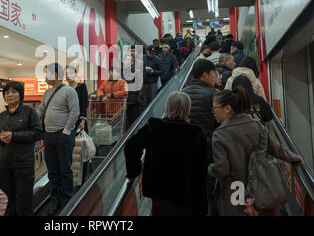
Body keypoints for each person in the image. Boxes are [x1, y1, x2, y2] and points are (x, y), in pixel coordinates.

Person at [209, 88, 303, 216]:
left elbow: (222, 169)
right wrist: (295, 157)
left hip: (235, 193)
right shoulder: (257, 125)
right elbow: (276, 149)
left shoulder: (220, 135)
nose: (213, 112)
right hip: (262, 189)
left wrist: (210, 169)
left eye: (215, 108)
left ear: (227, 108)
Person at [125, 92, 207, 216]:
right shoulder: (196, 134)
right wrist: (202, 207)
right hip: (184, 200)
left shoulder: (154, 128)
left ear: (167, 107)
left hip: (159, 195)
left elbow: (130, 145)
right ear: (187, 109)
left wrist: (134, 171)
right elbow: (200, 173)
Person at [0, 81, 43, 216]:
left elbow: (38, 133)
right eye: (7, 92)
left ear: (21, 95)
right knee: (7, 203)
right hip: (4, 165)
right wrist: (0, 139)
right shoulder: (2, 115)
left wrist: (14, 136)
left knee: (24, 204)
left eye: (14, 92)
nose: (10, 95)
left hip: (23, 164)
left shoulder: (29, 112)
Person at [37, 63, 80, 215]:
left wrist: (67, 131)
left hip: (63, 135)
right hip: (48, 136)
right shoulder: (47, 92)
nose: (44, 77)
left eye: (47, 73)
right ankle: (55, 198)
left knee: (65, 170)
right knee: (53, 170)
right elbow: (41, 111)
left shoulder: (69, 91)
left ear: (56, 75)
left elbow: (75, 111)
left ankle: (67, 200)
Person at [182, 59, 219, 216]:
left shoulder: (181, 94)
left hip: (186, 151)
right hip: (209, 150)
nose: (216, 77)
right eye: (214, 74)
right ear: (205, 74)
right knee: (211, 190)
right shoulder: (213, 94)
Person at [65, 65, 89, 182]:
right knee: (70, 153)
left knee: (81, 152)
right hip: (68, 124)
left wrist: (83, 120)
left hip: (80, 123)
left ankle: (82, 181)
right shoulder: (64, 89)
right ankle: (72, 179)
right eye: (66, 73)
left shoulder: (81, 87)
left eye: (70, 73)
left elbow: (84, 104)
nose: (67, 76)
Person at [123, 55, 144, 129]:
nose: (128, 62)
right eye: (126, 60)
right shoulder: (120, 72)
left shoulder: (137, 72)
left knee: (133, 121)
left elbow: (140, 85)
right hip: (123, 100)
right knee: (123, 122)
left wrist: (139, 98)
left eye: (130, 60)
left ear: (132, 62)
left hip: (133, 100)